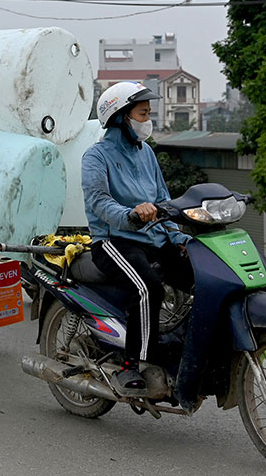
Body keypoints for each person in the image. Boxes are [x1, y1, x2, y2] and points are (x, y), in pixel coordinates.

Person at [81, 81, 192, 395]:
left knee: (198, 273)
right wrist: (131, 215)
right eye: (142, 114)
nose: (147, 121)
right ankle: (135, 364)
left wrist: (178, 238)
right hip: (114, 241)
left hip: (154, 238)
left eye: (148, 114)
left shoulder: (147, 155)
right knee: (147, 287)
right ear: (120, 117)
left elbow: (164, 200)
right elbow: (99, 202)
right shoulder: (96, 157)